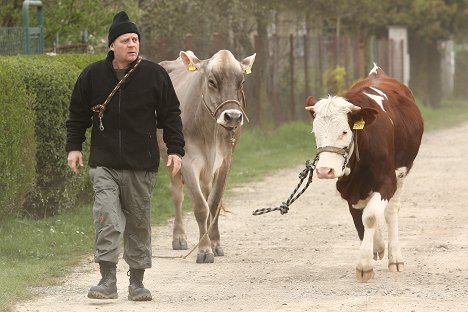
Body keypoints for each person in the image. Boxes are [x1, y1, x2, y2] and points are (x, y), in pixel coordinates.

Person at [66, 11, 185, 301]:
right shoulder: (92, 75)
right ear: (112, 46)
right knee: (106, 218)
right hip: (104, 163)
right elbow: (77, 115)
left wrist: (175, 149)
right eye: (125, 40)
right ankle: (107, 280)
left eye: (135, 39)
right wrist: (74, 147)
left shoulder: (154, 74)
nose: (132, 44)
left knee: (138, 223)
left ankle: (137, 282)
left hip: (141, 165)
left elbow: (170, 115)